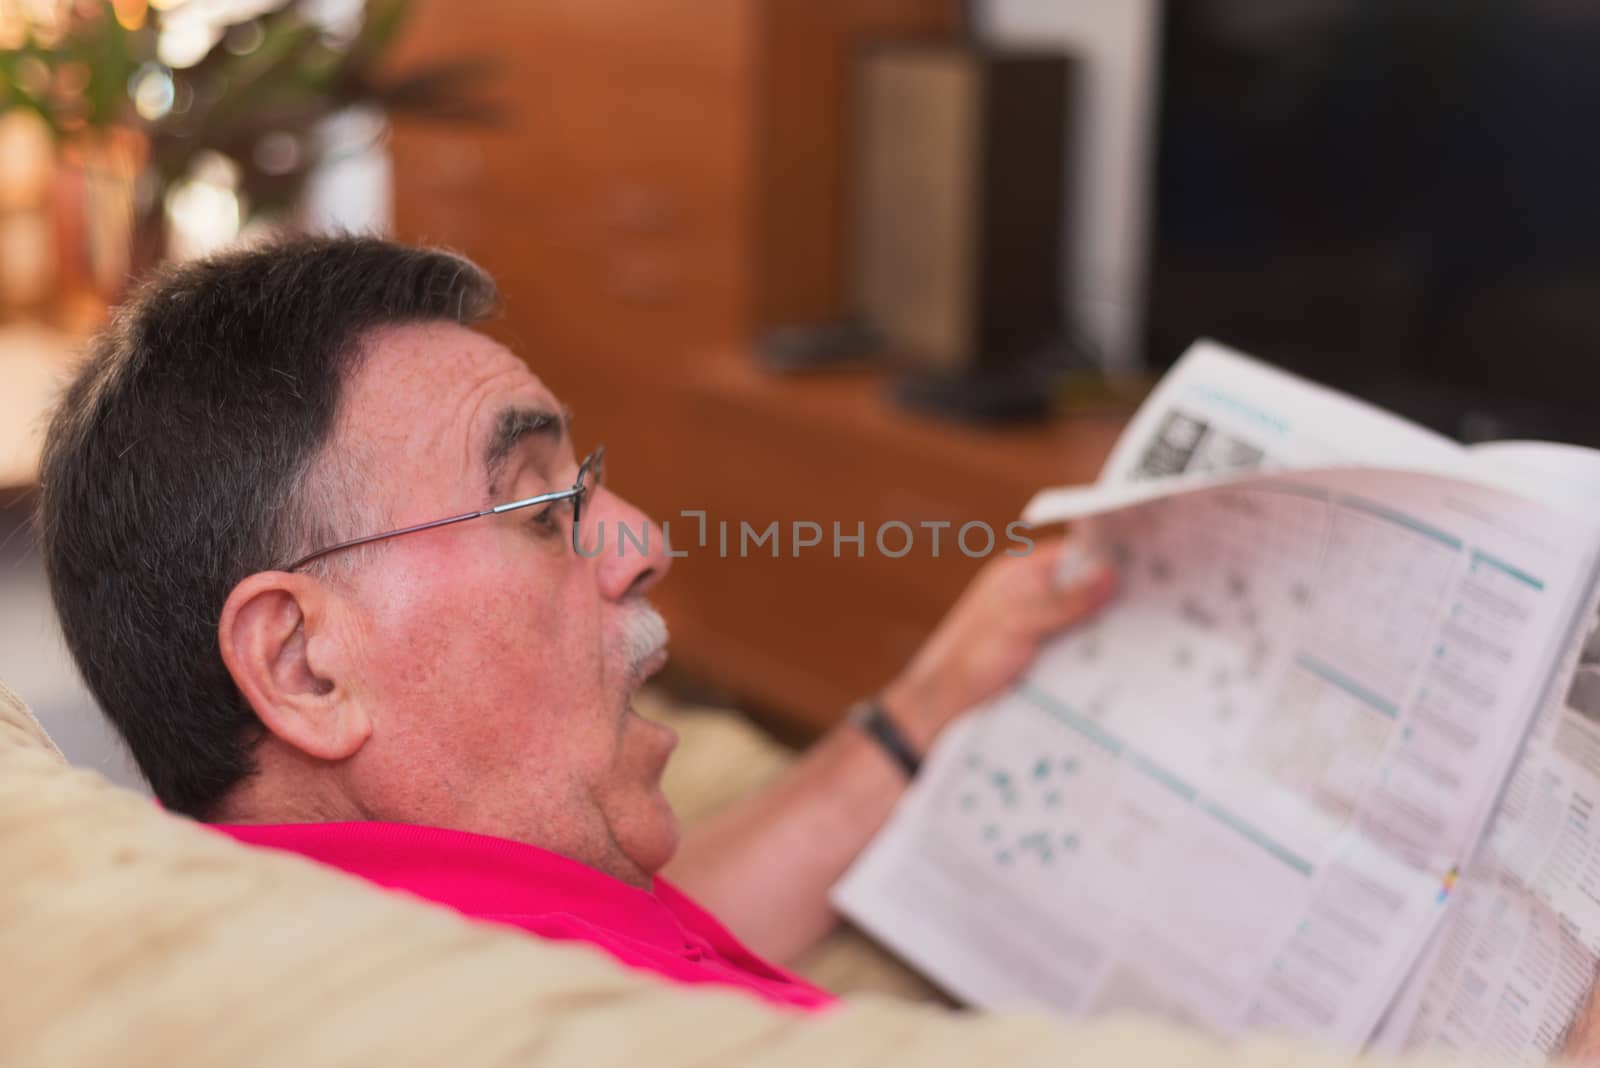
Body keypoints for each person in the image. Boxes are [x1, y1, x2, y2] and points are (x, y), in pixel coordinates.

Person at [36, 236, 1114, 1010]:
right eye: (540, 509)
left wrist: (926, 708)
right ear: (305, 664)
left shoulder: (395, 910)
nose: (644, 540)